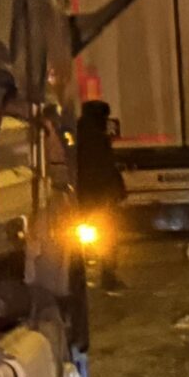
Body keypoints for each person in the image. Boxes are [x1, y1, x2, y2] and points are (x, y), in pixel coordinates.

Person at [71, 99, 127, 292]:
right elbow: (105, 169)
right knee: (108, 239)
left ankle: (78, 278)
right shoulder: (98, 138)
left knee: (74, 241)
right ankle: (108, 277)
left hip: (80, 199)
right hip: (101, 200)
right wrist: (118, 192)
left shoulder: (75, 136)